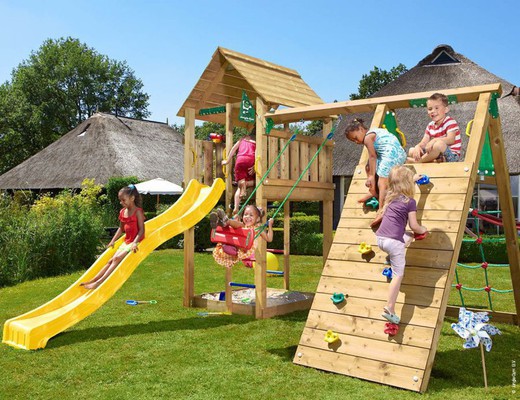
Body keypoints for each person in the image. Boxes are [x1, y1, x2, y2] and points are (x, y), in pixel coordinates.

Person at [375, 166, 428, 324]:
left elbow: (400, 180)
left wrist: (414, 178)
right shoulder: (410, 202)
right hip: (393, 242)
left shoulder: (390, 198)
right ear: (408, 184)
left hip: (380, 239)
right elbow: (414, 226)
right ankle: (390, 308)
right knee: (398, 275)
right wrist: (424, 229)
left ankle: (389, 258)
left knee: (408, 237)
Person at [80, 184, 145, 290]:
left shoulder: (138, 212)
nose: (121, 203)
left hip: (135, 241)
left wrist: (135, 243)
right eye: (120, 200)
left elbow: (142, 230)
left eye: (124, 200)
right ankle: (93, 280)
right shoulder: (123, 212)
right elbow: (121, 228)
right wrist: (113, 240)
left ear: (132, 198)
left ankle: (99, 283)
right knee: (110, 260)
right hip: (127, 241)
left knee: (116, 258)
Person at [345, 118, 407, 226]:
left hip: (391, 155)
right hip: (399, 153)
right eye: (353, 141)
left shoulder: (368, 137)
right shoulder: (375, 132)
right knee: (367, 167)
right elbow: (374, 158)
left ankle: (381, 209)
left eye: (355, 138)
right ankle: (373, 191)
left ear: (360, 129)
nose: (356, 141)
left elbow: (373, 156)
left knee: (382, 181)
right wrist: (370, 172)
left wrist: (371, 177)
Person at [210, 205, 274, 269]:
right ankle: (224, 222)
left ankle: (225, 222)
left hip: (245, 248)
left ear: (257, 219)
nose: (247, 217)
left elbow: (269, 239)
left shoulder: (257, 228)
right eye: (245, 214)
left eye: (251, 215)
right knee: (237, 226)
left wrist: (270, 225)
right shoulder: (242, 225)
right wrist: (234, 220)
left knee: (239, 225)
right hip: (234, 246)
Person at [408, 92, 461, 163]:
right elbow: (423, 143)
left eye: (436, 108)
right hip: (438, 155)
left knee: (439, 144)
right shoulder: (430, 125)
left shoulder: (450, 122)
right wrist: (418, 146)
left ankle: (418, 162)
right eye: (430, 109)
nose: (433, 111)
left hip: (451, 156)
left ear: (446, 109)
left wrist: (434, 140)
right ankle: (433, 161)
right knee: (412, 150)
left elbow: (451, 140)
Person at [222, 128, 256, 215]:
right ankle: (247, 184)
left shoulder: (242, 139)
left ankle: (236, 208)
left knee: (239, 187)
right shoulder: (257, 141)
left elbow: (233, 149)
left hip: (240, 160)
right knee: (257, 181)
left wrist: (227, 160)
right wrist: (255, 165)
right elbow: (257, 153)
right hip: (250, 160)